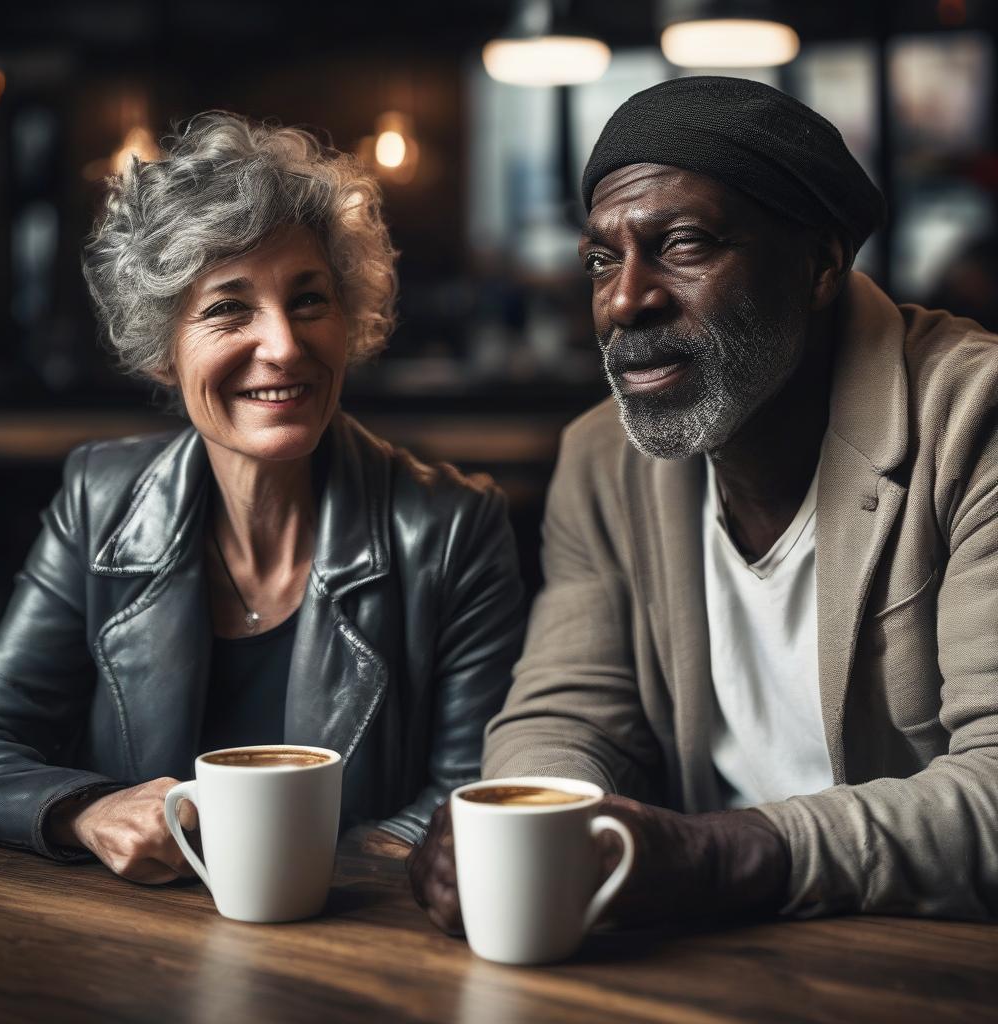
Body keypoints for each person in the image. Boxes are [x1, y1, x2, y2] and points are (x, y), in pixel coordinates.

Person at [409, 76, 998, 931]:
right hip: (708, 960)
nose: (623, 300)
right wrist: (521, 826)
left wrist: (720, 854)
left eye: (683, 243)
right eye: (602, 259)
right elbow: (571, 710)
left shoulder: (973, 420)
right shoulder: (600, 459)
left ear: (821, 262)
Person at [0, 112, 524, 884]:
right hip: (132, 951)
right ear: (163, 351)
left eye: (308, 300)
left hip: (358, 948)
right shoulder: (100, 501)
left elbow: (473, 794)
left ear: (349, 317)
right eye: (230, 307)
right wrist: (83, 810)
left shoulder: (452, 528)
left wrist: (295, 871)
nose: (285, 346)